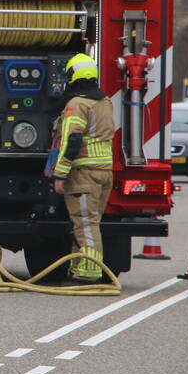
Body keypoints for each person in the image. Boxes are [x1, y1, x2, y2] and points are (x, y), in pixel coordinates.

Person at [49, 53, 116, 284]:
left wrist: (60, 174)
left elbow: (72, 141)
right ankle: (78, 267)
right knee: (89, 222)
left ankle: (88, 273)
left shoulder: (77, 105)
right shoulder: (105, 101)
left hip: (83, 174)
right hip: (104, 172)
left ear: (73, 76)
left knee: (85, 224)